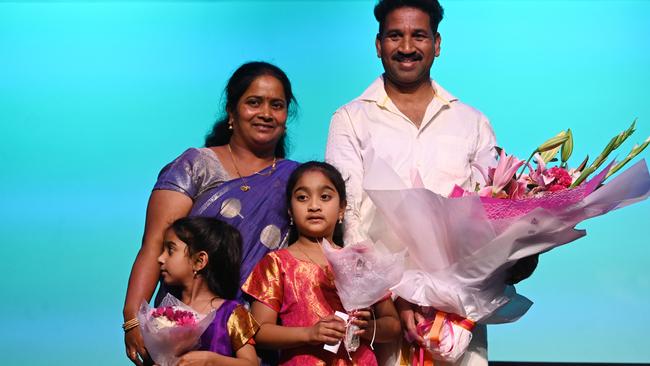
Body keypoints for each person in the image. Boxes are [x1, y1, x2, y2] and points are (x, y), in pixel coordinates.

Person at [325, 1, 537, 365]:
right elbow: (349, 218)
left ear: (437, 43)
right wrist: (393, 296)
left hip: (455, 316)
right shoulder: (350, 119)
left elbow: (489, 213)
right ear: (378, 45)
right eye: (395, 35)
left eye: (418, 35)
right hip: (380, 316)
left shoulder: (472, 122)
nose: (407, 47)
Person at [123, 61, 300, 365]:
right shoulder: (197, 165)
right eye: (253, 102)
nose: (266, 114)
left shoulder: (295, 181)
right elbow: (154, 244)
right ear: (231, 112)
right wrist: (132, 319)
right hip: (180, 330)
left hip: (252, 336)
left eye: (277, 105)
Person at [242, 162, 402, 365]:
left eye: (325, 197)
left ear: (342, 208)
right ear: (290, 210)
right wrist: (309, 333)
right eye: (302, 197)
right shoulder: (277, 263)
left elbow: (393, 325)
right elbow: (260, 331)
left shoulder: (359, 261)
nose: (314, 206)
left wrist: (367, 329)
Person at [156, 217, 258, 366]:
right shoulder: (166, 314)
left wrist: (211, 360)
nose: (160, 258)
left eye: (170, 250)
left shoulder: (231, 312)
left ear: (199, 261)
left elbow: (251, 363)